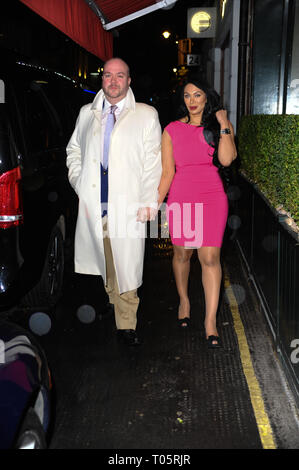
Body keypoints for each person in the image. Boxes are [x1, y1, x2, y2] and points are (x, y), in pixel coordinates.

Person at [66, 58, 162, 346]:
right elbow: (74, 151)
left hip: (128, 205)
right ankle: (113, 302)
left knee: (126, 266)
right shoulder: (87, 113)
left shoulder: (145, 115)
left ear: (129, 81)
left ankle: (126, 324)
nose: (113, 81)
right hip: (95, 204)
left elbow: (152, 162)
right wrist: (78, 181)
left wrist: (149, 201)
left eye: (120, 76)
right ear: (102, 79)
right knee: (106, 261)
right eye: (108, 75)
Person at [158, 78, 237, 348]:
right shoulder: (171, 130)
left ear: (207, 98)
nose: (192, 100)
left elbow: (227, 160)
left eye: (198, 95)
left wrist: (224, 122)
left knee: (210, 257)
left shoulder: (219, 128)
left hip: (213, 197)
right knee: (183, 253)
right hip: (181, 195)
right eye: (188, 96)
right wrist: (155, 203)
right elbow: (168, 172)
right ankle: (184, 299)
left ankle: (210, 321)